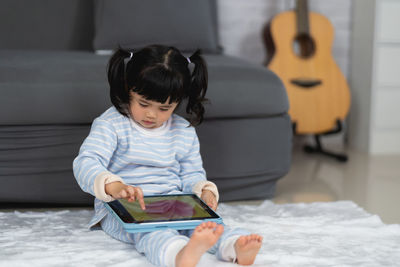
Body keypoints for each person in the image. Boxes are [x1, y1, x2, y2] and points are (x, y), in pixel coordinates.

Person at [73, 44, 262, 267]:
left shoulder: (183, 130)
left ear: (177, 102)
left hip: (174, 202)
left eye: (164, 108)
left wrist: (203, 190)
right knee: (151, 233)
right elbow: (86, 162)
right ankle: (179, 255)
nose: (152, 114)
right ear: (128, 89)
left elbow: (192, 172)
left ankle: (234, 246)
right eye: (143, 104)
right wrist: (113, 187)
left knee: (205, 225)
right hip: (123, 206)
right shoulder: (111, 123)